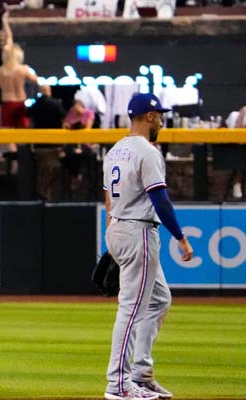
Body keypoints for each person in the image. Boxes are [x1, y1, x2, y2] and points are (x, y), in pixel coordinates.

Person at [102, 93, 193, 400]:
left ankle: (141, 374)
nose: (162, 120)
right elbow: (160, 199)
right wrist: (180, 236)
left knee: (159, 300)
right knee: (130, 310)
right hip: (138, 231)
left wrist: (112, 233)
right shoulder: (148, 151)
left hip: (118, 225)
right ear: (150, 116)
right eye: (159, 115)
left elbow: (108, 198)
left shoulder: (114, 150)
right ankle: (118, 383)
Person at [0, 44, 38, 130]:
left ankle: (11, 144)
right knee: (22, 130)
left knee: (7, 132)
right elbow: (36, 80)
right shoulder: (24, 69)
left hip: (7, 102)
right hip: (20, 102)